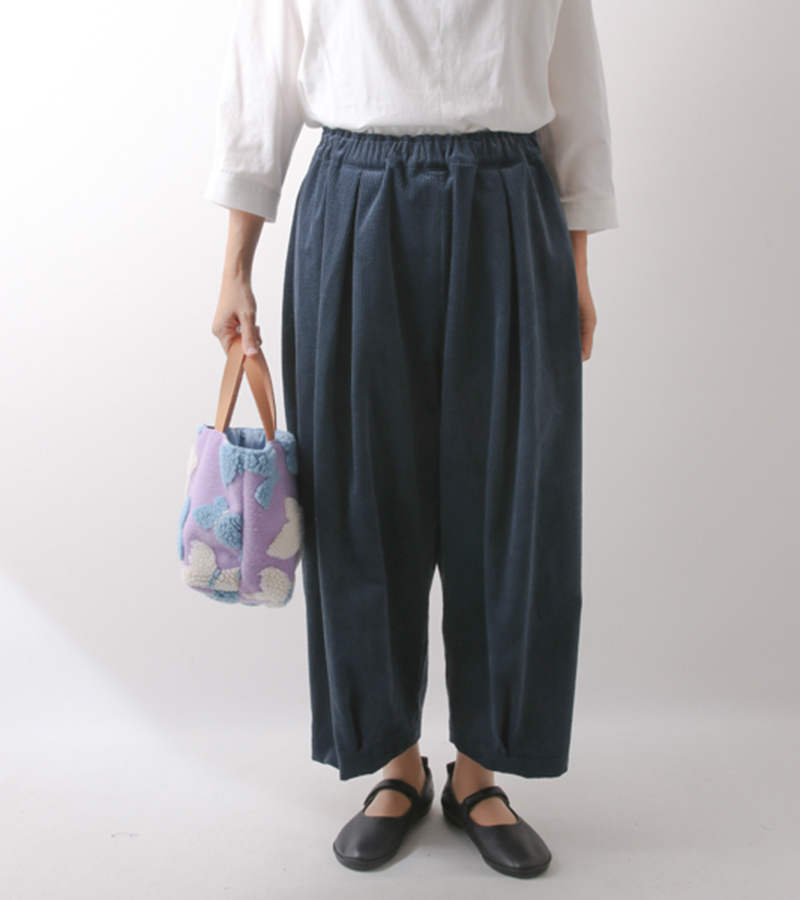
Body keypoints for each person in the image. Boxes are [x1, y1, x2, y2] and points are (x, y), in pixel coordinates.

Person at [204, 0, 618, 879]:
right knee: (358, 494)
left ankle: (480, 772)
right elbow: (262, 79)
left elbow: (574, 86)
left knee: (513, 497)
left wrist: (578, 265)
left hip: (509, 203)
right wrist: (235, 266)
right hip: (355, 199)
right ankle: (394, 764)